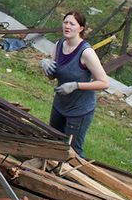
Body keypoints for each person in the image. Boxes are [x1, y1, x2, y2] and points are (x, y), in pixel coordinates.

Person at [41, 11, 110, 156]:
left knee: (73, 152)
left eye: (72, 24)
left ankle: (77, 177)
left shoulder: (86, 52)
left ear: (81, 28)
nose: (67, 26)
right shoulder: (59, 45)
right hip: (60, 105)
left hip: (79, 110)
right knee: (53, 142)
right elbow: (52, 77)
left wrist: (76, 85)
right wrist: (45, 64)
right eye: (65, 22)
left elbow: (104, 83)